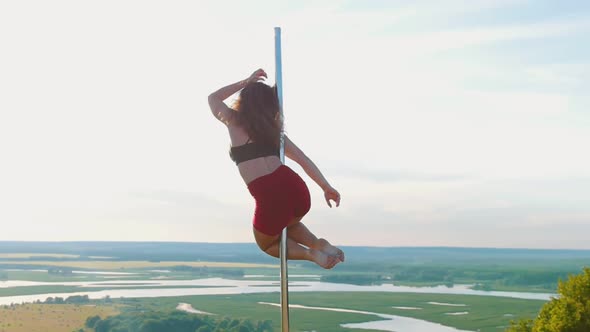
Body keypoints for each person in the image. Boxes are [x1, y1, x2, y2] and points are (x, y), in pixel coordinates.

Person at [208, 69, 344, 269]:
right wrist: (325, 186)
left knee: (267, 243)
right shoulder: (276, 134)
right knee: (287, 223)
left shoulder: (233, 120)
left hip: (269, 193)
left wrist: (245, 82)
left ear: (244, 102)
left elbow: (213, 97)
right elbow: (303, 159)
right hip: (295, 188)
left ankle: (310, 254)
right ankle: (318, 243)